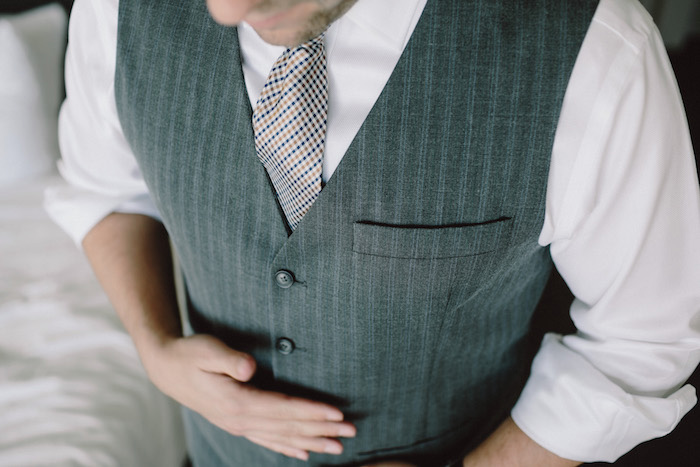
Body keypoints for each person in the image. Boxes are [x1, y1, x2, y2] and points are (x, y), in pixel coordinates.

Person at [46, 0, 700, 465]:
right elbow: (106, 189)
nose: (226, 9)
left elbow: (644, 338)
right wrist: (154, 342)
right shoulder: (116, 8)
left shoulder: (592, 47)